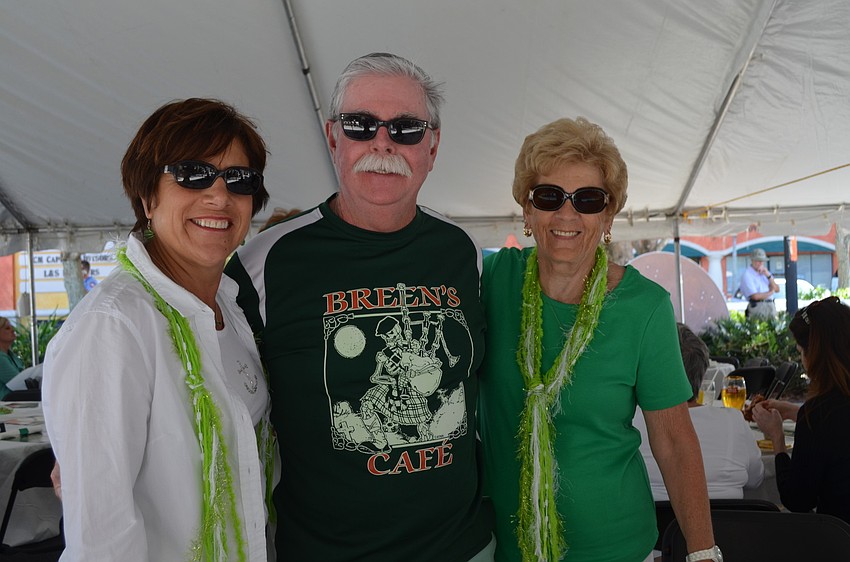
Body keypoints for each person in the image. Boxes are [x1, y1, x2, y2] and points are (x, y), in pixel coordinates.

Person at [225, 53, 494, 562]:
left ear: (433, 146)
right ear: (334, 138)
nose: (382, 142)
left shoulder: (461, 250)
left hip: (463, 548)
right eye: (360, 125)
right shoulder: (265, 261)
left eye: (406, 128)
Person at [43, 98, 276, 561]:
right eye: (193, 174)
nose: (219, 196)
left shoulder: (231, 308)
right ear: (148, 197)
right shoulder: (114, 326)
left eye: (239, 179)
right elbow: (101, 541)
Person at [477, 117, 718, 562]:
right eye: (549, 197)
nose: (567, 214)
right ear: (527, 211)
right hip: (507, 548)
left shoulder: (644, 307)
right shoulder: (491, 282)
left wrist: (703, 553)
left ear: (607, 216)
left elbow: (674, 443)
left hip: (618, 547)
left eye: (588, 200)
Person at [633, 323, 764, 500]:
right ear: (702, 371)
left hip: (654, 518)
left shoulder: (634, 424)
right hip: (728, 518)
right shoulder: (733, 421)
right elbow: (756, 479)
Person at [752, 296, 850, 523]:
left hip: (838, 536)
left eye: (800, 351)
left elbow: (797, 500)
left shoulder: (817, 415)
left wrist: (777, 438)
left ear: (813, 354)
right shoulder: (820, 414)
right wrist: (796, 412)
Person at [738, 248, 778, 319]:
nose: (760, 263)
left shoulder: (765, 273)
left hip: (770, 305)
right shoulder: (747, 275)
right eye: (758, 261)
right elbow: (755, 296)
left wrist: (768, 276)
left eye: (762, 261)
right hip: (757, 306)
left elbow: (777, 289)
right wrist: (771, 292)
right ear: (752, 260)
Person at [0, 317, 24, 399]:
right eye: (7, 328)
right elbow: (18, 383)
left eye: (12, 327)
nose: (13, 330)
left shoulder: (11, 355)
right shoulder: (1, 358)